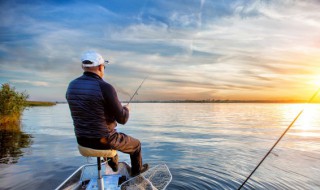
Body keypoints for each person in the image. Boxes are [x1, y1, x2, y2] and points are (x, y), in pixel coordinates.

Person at [66, 50, 148, 176]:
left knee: (110, 136)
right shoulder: (105, 87)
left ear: (84, 67)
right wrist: (126, 110)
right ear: (100, 67)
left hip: (81, 141)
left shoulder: (71, 86)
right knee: (136, 145)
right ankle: (136, 176)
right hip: (104, 141)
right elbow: (122, 119)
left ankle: (113, 163)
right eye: (104, 66)